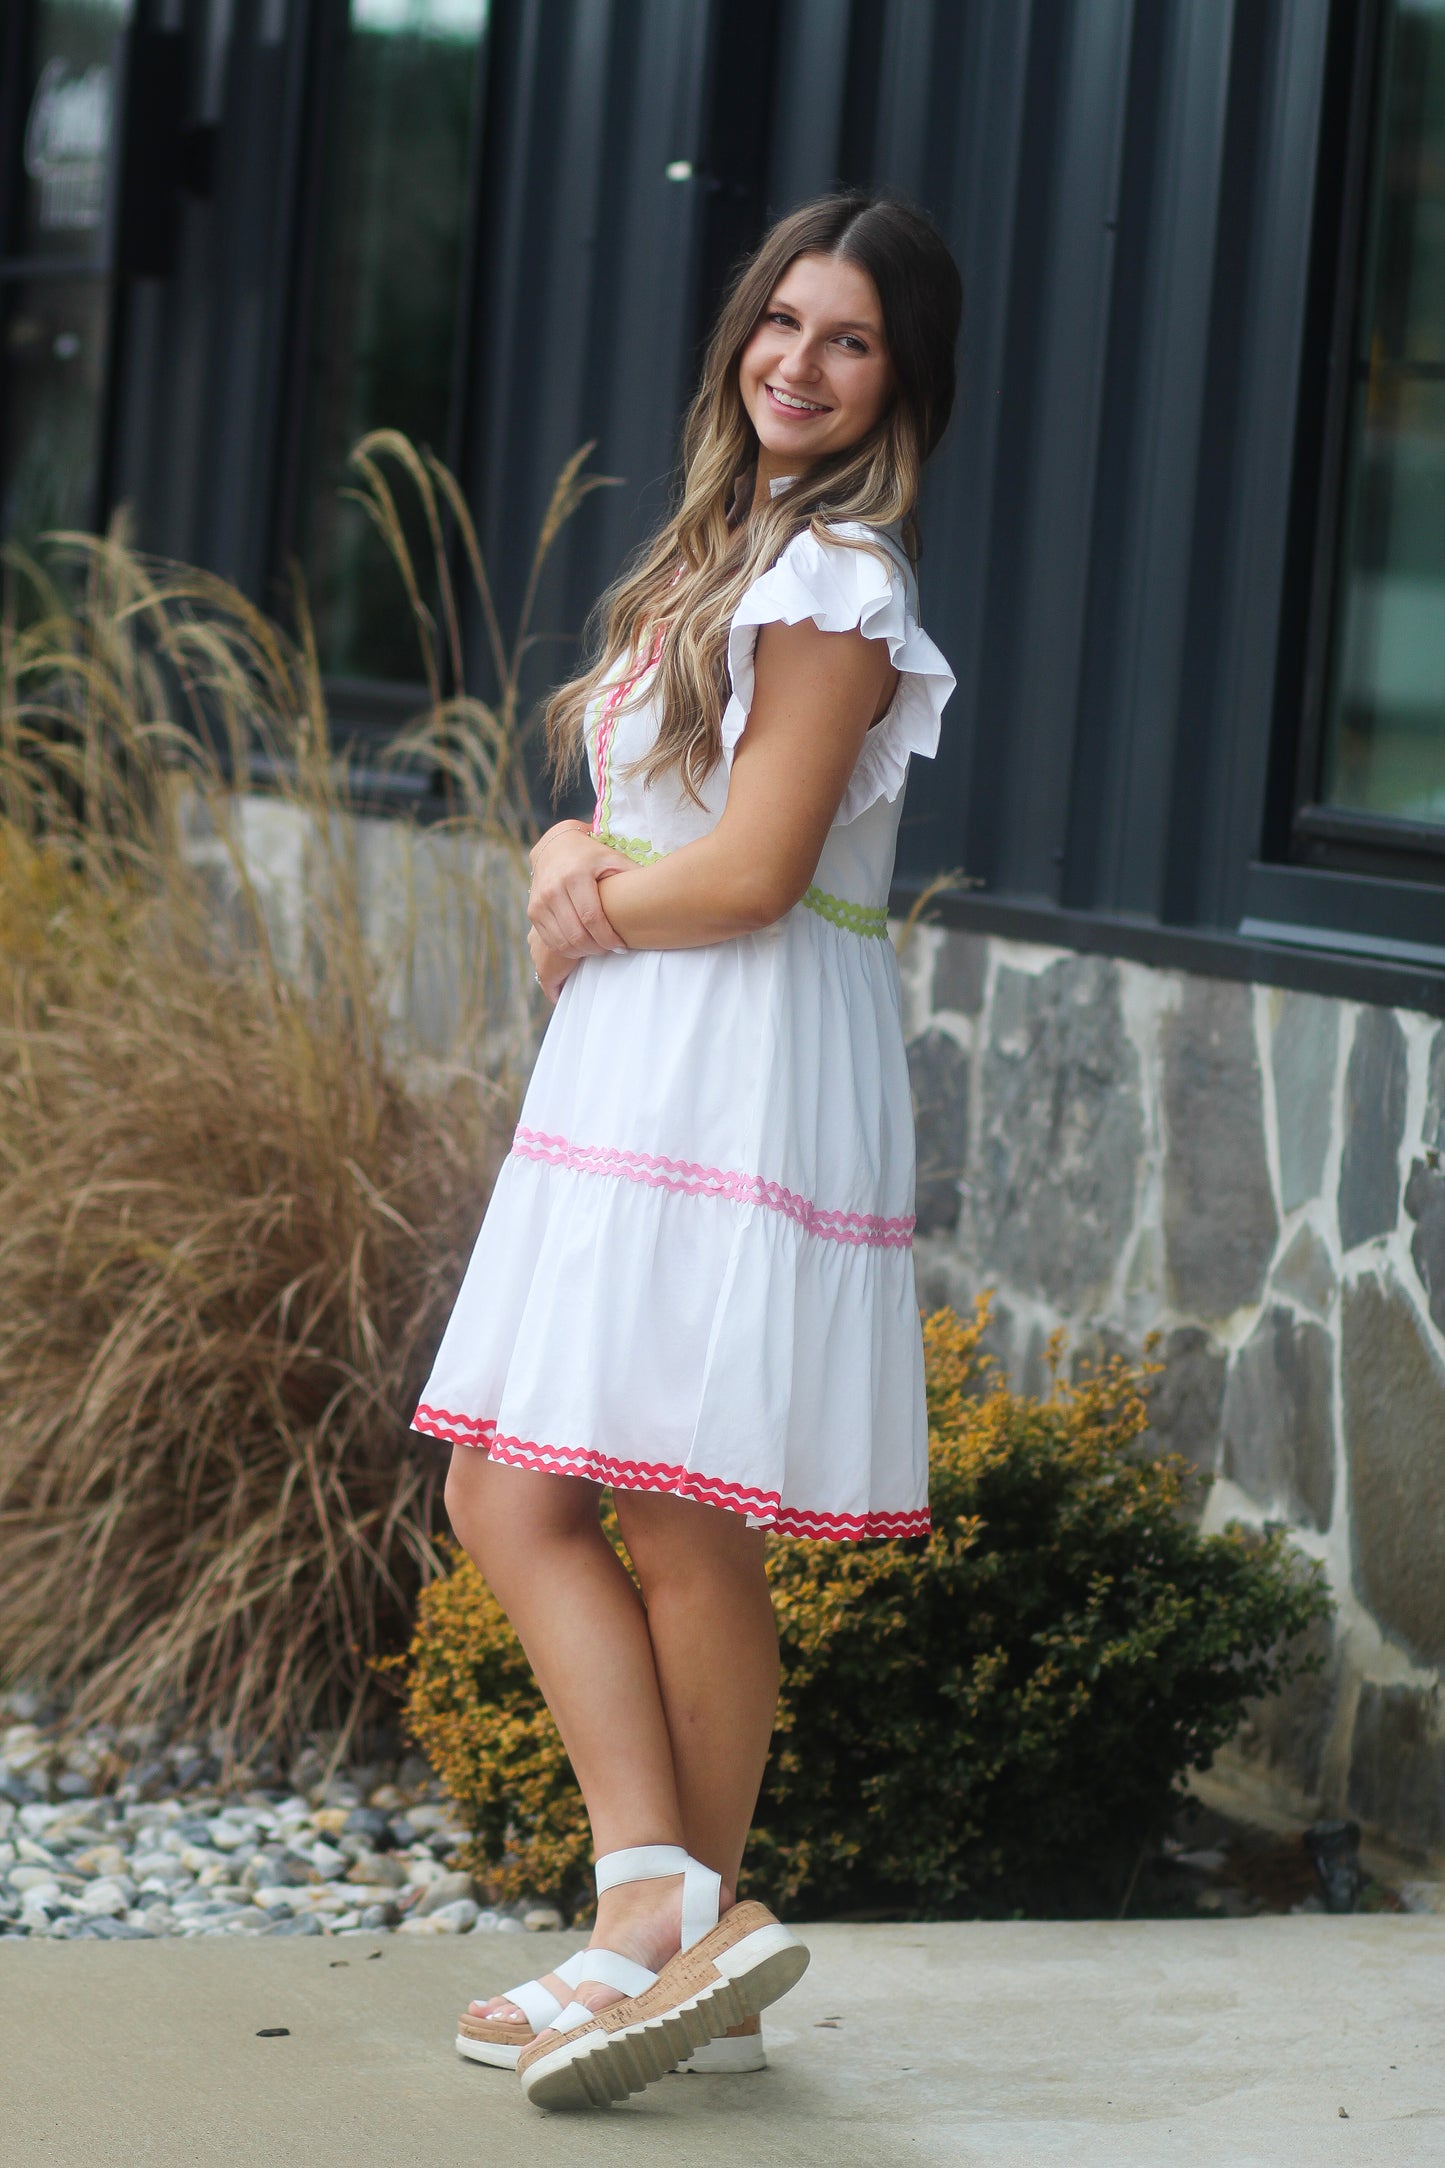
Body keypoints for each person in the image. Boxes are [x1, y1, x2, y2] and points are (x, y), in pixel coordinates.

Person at [413, 189, 962, 2112]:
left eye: (850, 341)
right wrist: (572, 852)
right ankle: (670, 1919)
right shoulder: (725, 552)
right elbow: (640, 832)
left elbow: (751, 868)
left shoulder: (837, 582)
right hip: (644, 1047)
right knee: (533, 1490)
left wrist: (589, 883)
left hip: (727, 1050)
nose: (798, 365)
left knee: (631, 1501)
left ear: (903, 380)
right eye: (781, 324)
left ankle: (660, 1920)